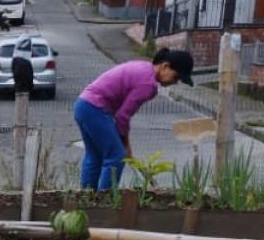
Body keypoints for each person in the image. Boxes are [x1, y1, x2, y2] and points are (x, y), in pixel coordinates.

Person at [74, 48, 194, 191]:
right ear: (165, 66)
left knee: (94, 156)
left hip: (83, 105)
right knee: (116, 157)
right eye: (175, 77)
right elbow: (123, 116)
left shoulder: (143, 68)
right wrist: (125, 145)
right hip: (95, 109)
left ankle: (87, 198)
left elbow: (120, 115)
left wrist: (124, 142)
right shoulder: (149, 85)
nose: (175, 82)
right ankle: (104, 201)